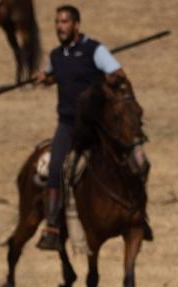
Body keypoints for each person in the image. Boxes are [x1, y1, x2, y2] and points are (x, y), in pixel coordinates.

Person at [31, 5, 124, 250]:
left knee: (127, 159)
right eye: (57, 22)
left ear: (76, 25)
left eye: (65, 22)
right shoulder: (56, 56)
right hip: (68, 125)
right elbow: (54, 75)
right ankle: (51, 227)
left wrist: (107, 81)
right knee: (54, 168)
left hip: (95, 125)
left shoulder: (95, 50)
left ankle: (136, 215)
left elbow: (118, 73)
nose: (60, 27)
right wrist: (44, 78)